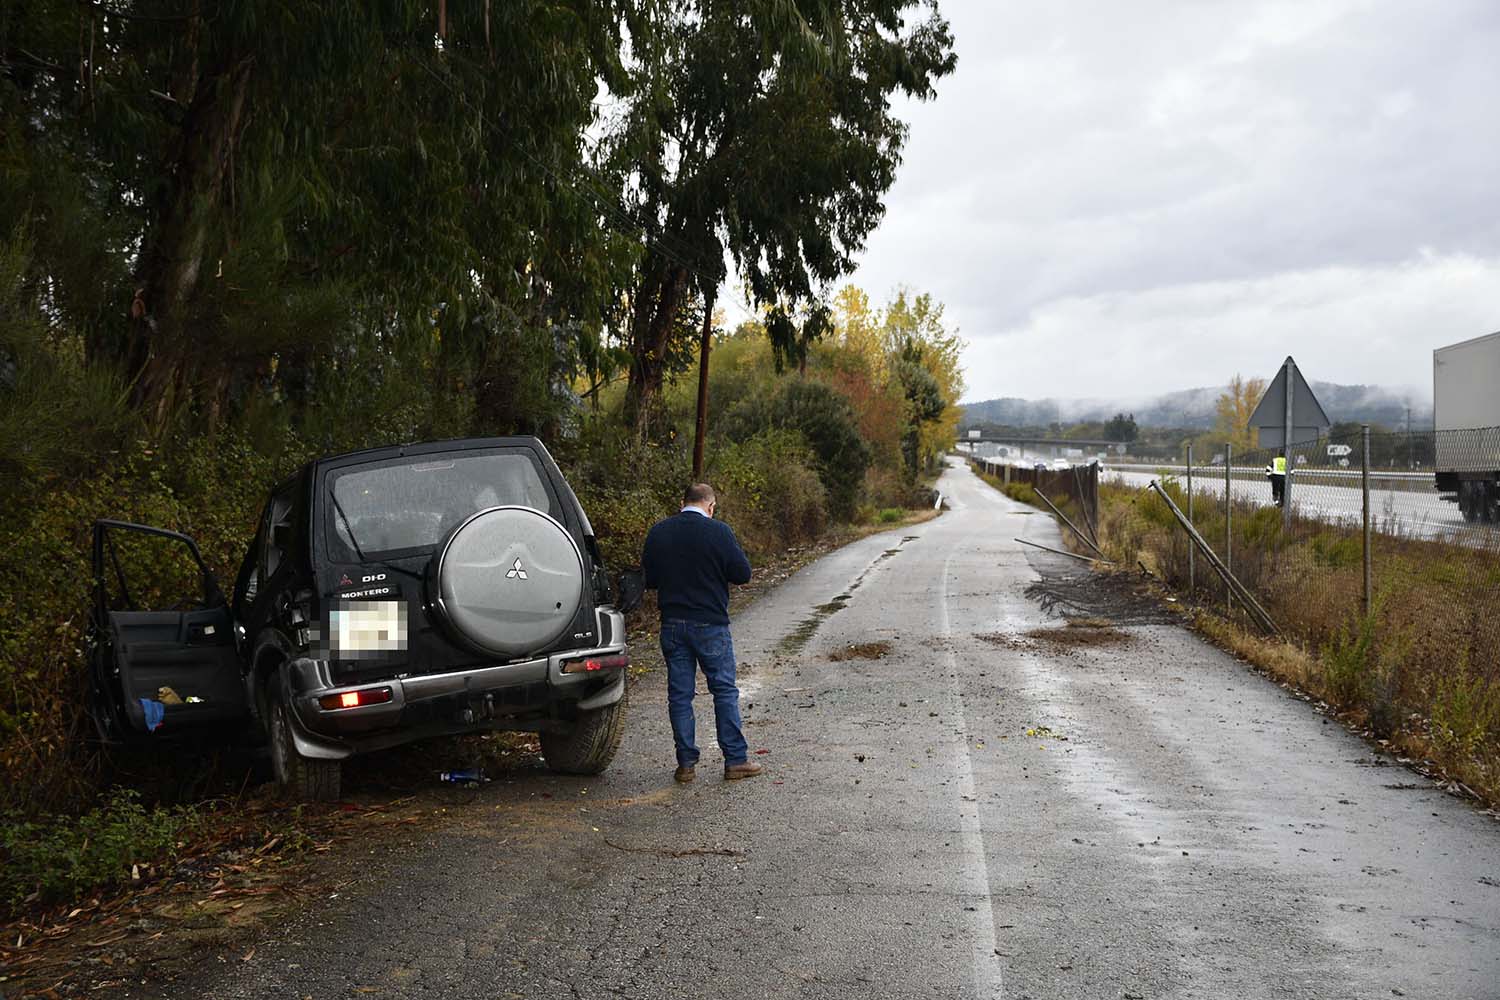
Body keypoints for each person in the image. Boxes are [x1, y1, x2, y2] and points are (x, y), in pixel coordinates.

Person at [642, 483, 760, 784]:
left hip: (672, 624)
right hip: (710, 625)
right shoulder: (719, 532)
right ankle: (735, 761)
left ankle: (685, 765)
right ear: (711, 506)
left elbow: (650, 579)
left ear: (682, 502)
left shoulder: (659, 532)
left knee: (680, 696)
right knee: (723, 690)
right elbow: (742, 574)